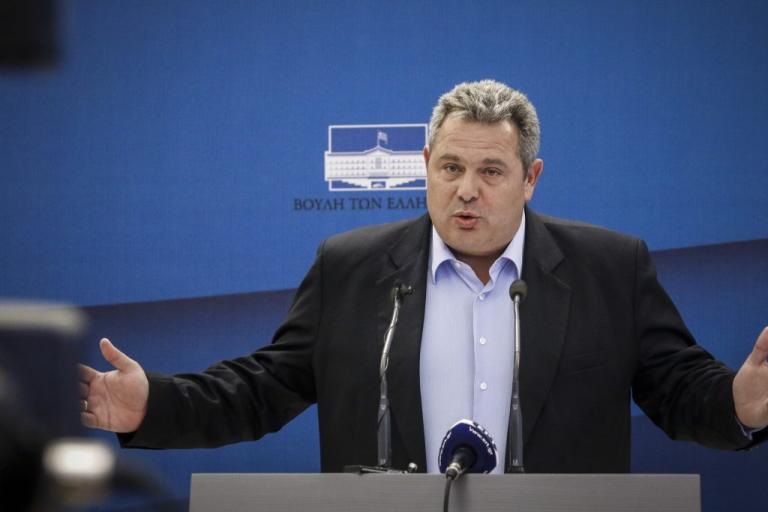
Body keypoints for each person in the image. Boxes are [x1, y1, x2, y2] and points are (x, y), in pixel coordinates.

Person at [80, 80, 768, 473]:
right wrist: (154, 405)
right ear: (426, 165)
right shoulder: (351, 267)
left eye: (491, 171)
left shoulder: (609, 268)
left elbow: (679, 389)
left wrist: (738, 401)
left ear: (530, 178)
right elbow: (264, 388)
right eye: (450, 167)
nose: (467, 190)